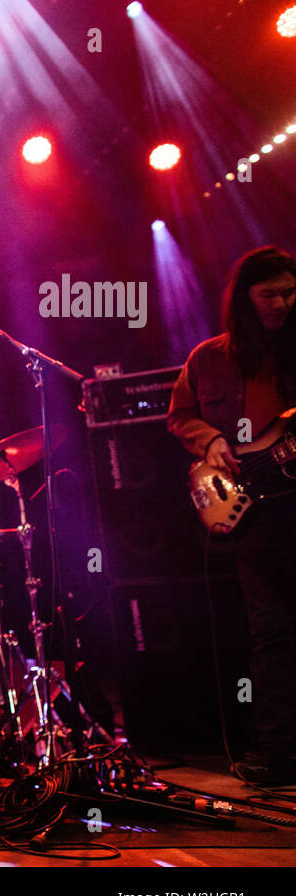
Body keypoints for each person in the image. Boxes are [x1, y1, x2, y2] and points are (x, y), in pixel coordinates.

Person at [167, 245, 296, 786]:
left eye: (291, 293)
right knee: (271, 629)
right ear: (245, 298)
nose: (282, 304)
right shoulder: (208, 357)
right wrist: (213, 439)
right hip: (256, 516)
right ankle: (279, 749)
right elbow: (180, 417)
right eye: (269, 294)